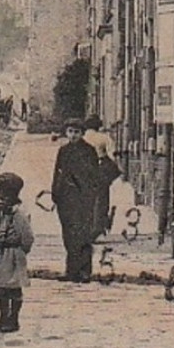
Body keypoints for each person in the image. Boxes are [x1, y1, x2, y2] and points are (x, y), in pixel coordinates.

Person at [50, 120, 119, 282]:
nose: (73, 135)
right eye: (70, 131)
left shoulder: (88, 151)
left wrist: (88, 196)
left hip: (83, 199)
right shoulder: (63, 150)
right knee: (68, 235)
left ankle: (84, 271)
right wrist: (55, 191)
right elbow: (57, 172)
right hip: (65, 198)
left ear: (82, 133)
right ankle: (71, 271)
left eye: (76, 132)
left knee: (83, 235)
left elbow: (92, 176)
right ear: (66, 133)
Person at [0, 172, 32, 332]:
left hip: (12, 254)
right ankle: (3, 317)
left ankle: (13, 319)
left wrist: (20, 251)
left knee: (13, 287)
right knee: (1, 287)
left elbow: (26, 236)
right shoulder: (2, 210)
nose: (2, 196)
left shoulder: (18, 213)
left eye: (5, 193)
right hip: (0, 253)